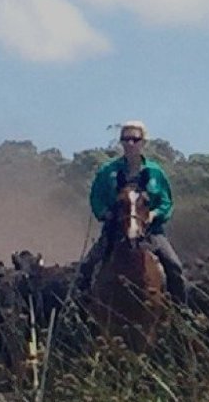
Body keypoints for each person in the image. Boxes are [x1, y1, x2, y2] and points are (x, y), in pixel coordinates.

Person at [75, 120, 187, 304]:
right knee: (87, 267)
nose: (130, 144)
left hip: (151, 231)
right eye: (125, 139)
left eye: (135, 139)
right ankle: (81, 314)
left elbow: (166, 201)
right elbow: (96, 197)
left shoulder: (155, 172)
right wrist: (105, 213)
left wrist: (154, 214)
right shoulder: (108, 171)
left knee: (174, 267)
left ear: (143, 142)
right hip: (114, 230)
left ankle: (183, 314)